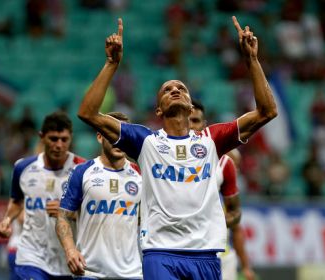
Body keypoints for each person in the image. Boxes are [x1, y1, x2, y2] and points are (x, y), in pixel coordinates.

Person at [77, 17, 277, 280]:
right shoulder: (145, 141)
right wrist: (111, 64)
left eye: (181, 88)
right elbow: (88, 113)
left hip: (205, 253)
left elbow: (267, 111)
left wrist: (252, 60)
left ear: (191, 106)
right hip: (160, 253)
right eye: (166, 89)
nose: (174, 90)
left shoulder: (211, 140)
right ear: (158, 108)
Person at [0, 111, 85, 280]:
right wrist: (7, 220)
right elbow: (17, 201)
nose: (59, 145)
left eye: (64, 139)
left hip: (67, 260)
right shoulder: (23, 168)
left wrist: (68, 212)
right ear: (42, 137)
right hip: (31, 257)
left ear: (71, 138)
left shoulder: (83, 169)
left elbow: (91, 212)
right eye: (53, 139)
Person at [56, 112, 143, 279]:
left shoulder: (141, 173)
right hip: (89, 272)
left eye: (123, 135)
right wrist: (70, 250)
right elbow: (63, 217)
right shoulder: (82, 171)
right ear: (99, 137)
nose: (119, 140)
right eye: (112, 134)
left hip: (132, 274)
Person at [189, 99, 255, 280]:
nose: (191, 126)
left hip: (217, 255)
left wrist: (246, 266)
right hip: (176, 251)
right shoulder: (161, 154)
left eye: (195, 121)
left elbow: (236, 222)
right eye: (187, 120)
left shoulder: (224, 164)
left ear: (205, 125)